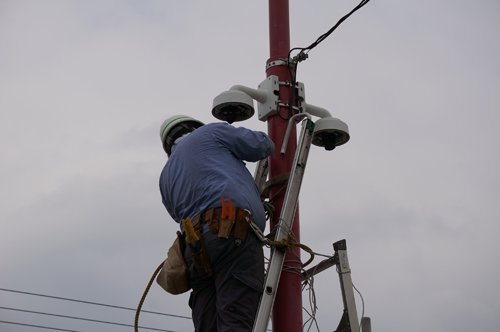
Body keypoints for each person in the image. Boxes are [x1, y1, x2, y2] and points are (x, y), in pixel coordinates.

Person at [159, 115, 275, 332]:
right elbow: (262, 145)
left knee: (208, 325)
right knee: (236, 321)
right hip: (231, 234)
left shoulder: (165, 176)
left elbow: (177, 215)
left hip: (195, 252)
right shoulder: (210, 133)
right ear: (193, 128)